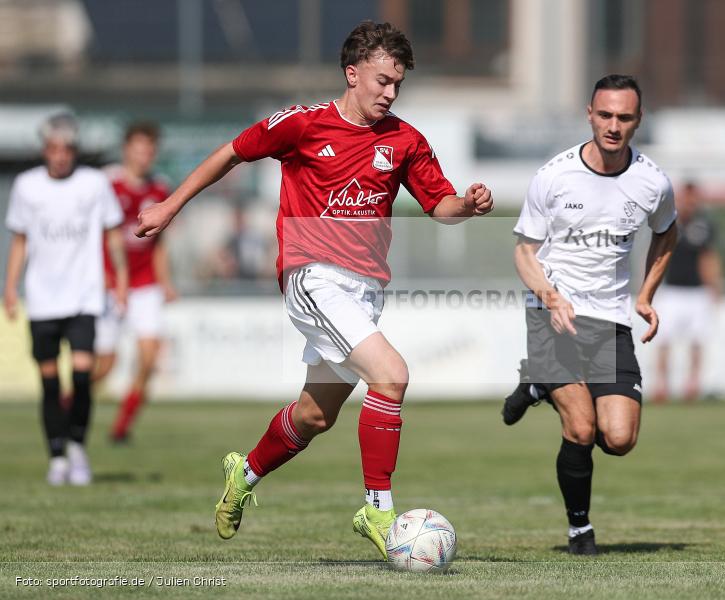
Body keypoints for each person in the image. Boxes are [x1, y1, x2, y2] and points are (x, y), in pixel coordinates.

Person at [134, 21, 493, 559]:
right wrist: (169, 206)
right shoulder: (301, 125)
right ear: (353, 74)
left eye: (397, 84)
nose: (390, 93)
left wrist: (467, 205)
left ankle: (244, 473)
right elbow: (230, 153)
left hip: (365, 289)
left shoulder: (406, 140)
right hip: (312, 275)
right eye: (381, 81)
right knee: (391, 376)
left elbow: (438, 206)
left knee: (314, 416)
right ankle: (378, 510)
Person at [501, 75, 677, 554]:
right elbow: (524, 251)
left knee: (618, 438)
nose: (613, 126)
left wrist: (645, 295)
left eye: (624, 117)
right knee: (580, 428)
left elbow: (667, 233)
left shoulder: (653, 182)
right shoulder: (554, 176)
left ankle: (535, 386)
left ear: (638, 120)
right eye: (605, 115)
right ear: (589, 114)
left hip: (611, 320)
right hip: (552, 313)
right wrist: (551, 297)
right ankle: (580, 530)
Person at [3, 114, 128, 485]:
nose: (60, 156)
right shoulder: (27, 187)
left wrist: (120, 280)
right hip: (42, 298)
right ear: (45, 150)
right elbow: (20, 240)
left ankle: (77, 447)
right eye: (54, 149)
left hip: (84, 295)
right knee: (49, 382)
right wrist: (11, 287)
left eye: (67, 149)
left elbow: (112, 234)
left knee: (82, 374)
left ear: (75, 150)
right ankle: (56, 455)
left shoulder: (94, 184)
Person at [93, 121, 176, 443]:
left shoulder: (159, 188)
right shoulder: (106, 183)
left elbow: (159, 242)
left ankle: (121, 428)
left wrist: (165, 281)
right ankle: (69, 406)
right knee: (104, 365)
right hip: (110, 285)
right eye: (140, 148)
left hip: (145, 284)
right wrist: (98, 274)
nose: (145, 156)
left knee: (149, 357)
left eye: (150, 150)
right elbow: (92, 234)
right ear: (127, 149)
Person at [652, 181, 723, 403]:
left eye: (693, 199)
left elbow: (709, 258)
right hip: (672, 291)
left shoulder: (704, 227)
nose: (689, 204)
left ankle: (692, 384)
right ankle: (661, 385)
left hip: (698, 293)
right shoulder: (668, 224)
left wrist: (716, 287)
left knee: (697, 341)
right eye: (685, 199)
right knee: (663, 340)